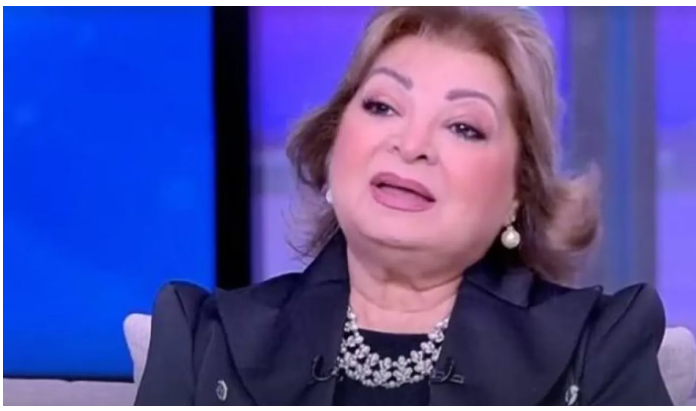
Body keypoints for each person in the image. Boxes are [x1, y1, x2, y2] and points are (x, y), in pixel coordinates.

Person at [135, 6, 672, 406]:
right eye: (383, 106)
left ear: (518, 191)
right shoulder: (203, 340)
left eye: (463, 127)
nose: (412, 145)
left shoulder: (599, 347)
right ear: (333, 145)